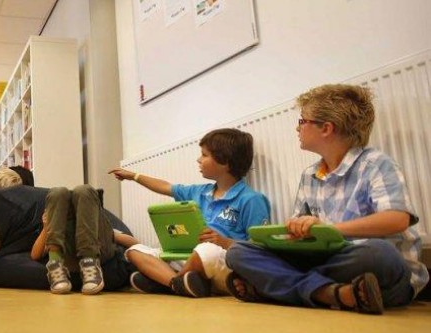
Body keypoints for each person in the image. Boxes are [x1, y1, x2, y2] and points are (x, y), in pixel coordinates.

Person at [225, 84, 429, 315]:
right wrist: (291, 233)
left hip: (379, 273)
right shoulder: (309, 175)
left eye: (302, 121)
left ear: (326, 128)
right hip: (331, 267)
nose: (297, 128)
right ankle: (329, 293)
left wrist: (329, 229)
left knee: (380, 254)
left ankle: (278, 287)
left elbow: (397, 219)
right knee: (238, 252)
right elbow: (296, 233)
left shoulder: (376, 164)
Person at [109, 128, 270, 298]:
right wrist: (133, 176)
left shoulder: (252, 199)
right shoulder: (199, 192)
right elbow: (165, 187)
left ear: (225, 162)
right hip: (188, 258)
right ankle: (180, 283)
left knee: (206, 250)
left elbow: (259, 248)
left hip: (220, 261)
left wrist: (224, 242)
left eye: (204, 155)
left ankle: (167, 283)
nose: (198, 160)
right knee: (135, 251)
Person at [31, 184, 121, 295]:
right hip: (67, 255)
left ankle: (90, 261)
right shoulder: (57, 225)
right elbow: (35, 254)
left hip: (97, 249)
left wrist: (135, 248)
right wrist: (46, 227)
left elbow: (120, 238)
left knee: (84, 191)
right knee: (58, 192)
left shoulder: (92, 220)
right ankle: (55, 262)